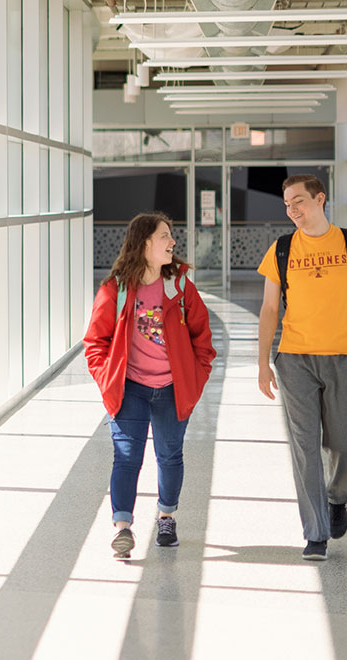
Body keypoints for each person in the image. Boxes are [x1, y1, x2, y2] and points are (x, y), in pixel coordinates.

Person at [256, 174, 347, 561]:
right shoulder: (281, 249)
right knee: (305, 448)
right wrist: (263, 362)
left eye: (299, 202)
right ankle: (315, 533)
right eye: (287, 205)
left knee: (344, 444)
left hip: (344, 357)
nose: (293, 211)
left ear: (320, 199)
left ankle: (338, 496)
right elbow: (269, 309)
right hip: (295, 359)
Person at [84, 212, 216, 559]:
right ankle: (123, 527)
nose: (172, 242)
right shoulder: (116, 289)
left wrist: (195, 378)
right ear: (145, 243)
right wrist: (106, 379)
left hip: (172, 389)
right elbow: (95, 342)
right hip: (130, 389)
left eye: (171, 236)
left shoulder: (181, 287)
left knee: (170, 456)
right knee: (127, 457)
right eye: (165, 236)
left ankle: (166, 516)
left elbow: (203, 338)